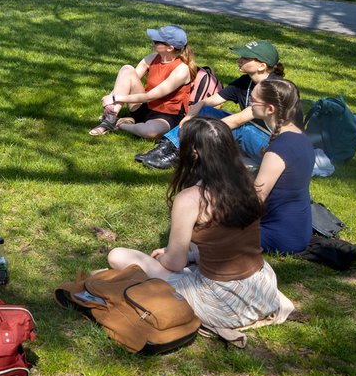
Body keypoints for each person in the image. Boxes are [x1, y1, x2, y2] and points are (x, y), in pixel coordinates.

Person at [107, 117, 290, 334]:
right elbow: (231, 240)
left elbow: (175, 263)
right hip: (261, 285)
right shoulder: (249, 183)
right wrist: (193, 256)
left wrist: (165, 257)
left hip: (222, 302)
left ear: (193, 153)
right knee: (192, 251)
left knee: (118, 256)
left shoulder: (191, 199)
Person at [138, 39, 285, 170]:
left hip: (275, 149)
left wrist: (202, 133)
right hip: (252, 135)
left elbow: (238, 120)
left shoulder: (274, 87)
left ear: (261, 66)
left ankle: (180, 154)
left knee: (241, 127)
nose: (239, 60)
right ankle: (166, 147)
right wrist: (189, 117)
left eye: (245, 58)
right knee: (206, 111)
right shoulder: (245, 82)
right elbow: (206, 101)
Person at [90, 25, 194, 139]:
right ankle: (110, 118)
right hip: (144, 107)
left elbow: (150, 96)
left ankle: (121, 124)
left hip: (167, 115)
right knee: (127, 69)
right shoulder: (151, 58)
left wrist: (115, 98)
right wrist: (110, 97)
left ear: (170, 48)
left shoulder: (181, 70)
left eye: (156, 41)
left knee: (150, 132)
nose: (152, 43)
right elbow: (126, 80)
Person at [251, 79, 314, 254]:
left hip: (279, 235)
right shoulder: (299, 134)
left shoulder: (279, 149)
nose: (250, 103)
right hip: (299, 230)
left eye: (253, 100)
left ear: (270, 109)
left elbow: (257, 197)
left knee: (207, 232)